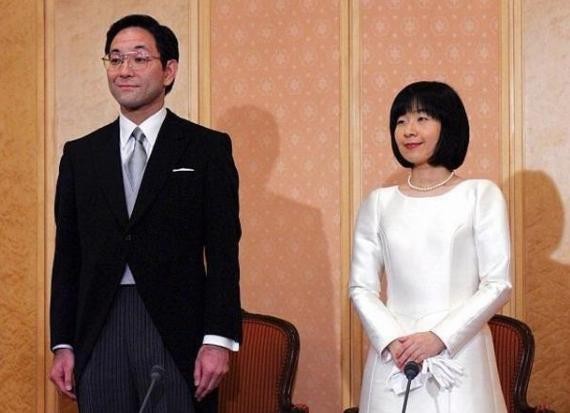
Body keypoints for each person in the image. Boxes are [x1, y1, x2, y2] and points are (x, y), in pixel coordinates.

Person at [49, 14, 241, 413]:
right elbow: (68, 256)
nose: (125, 70)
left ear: (169, 71)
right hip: (97, 328)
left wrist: (217, 339)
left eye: (139, 58)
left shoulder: (205, 148)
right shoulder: (80, 155)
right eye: (115, 58)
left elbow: (223, 251)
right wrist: (63, 343)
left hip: (176, 328)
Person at [349, 81, 511, 412]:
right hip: (394, 355)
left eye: (422, 118)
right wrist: (392, 340)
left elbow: (498, 283)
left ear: (448, 125)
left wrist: (439, 337)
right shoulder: (378, 203)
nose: (409, 130)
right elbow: (361, 287)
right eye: (401, 121)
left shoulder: (481, 195)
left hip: (458, 352)